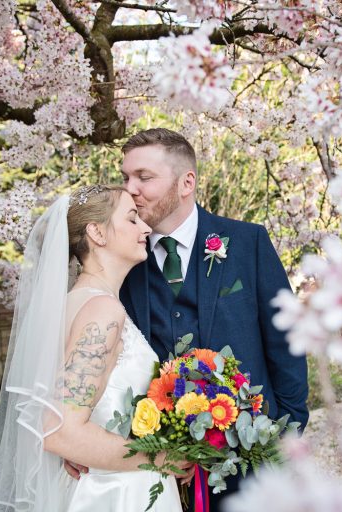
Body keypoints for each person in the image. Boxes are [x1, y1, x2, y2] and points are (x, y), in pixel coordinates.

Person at [119, 128, 310, 511]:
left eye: (144, 177)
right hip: (162, 466)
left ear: (186, 182)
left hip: (251, 451)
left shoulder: (247, 242)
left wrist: (283, 433)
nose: (130, 189)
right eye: (125, 178)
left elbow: (287, 341)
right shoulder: (125, 260)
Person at [0, 185, 189, 512]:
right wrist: (162, 456)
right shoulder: (103, 311)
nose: (146, 228)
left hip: (105, 479)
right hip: (117, 493)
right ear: (97, 232)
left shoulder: (77, 303)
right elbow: (59, 431)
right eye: (132, 219)